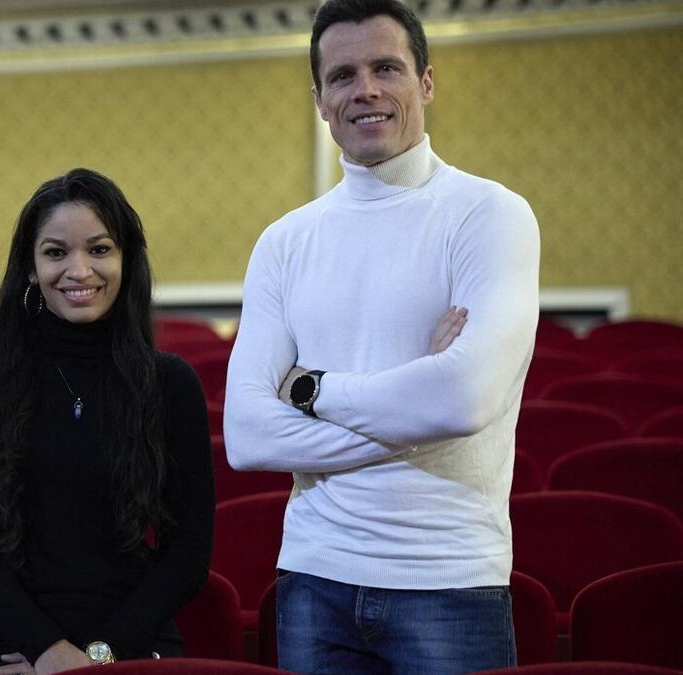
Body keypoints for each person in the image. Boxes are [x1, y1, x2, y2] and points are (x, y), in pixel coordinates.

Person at [223, 0, 540, 670]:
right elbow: (249, 437)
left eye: (385, 67)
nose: (364, 89)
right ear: (319, 99)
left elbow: (460, 401)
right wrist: (413, 396)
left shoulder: (491, 215)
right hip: (314, 576)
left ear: (426, 82)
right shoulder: (283, 242)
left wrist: (311, 389)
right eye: (342, 75)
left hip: (449, 576)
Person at [0, 168, 215, 674]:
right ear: (30, 267)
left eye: (100, 249)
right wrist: (47, 652)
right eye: (56, 252)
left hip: (132, 639)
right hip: (11, 639)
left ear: (127, 261)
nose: (79, 270)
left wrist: (96, 658)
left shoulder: (170, 384)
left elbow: (188, 556)